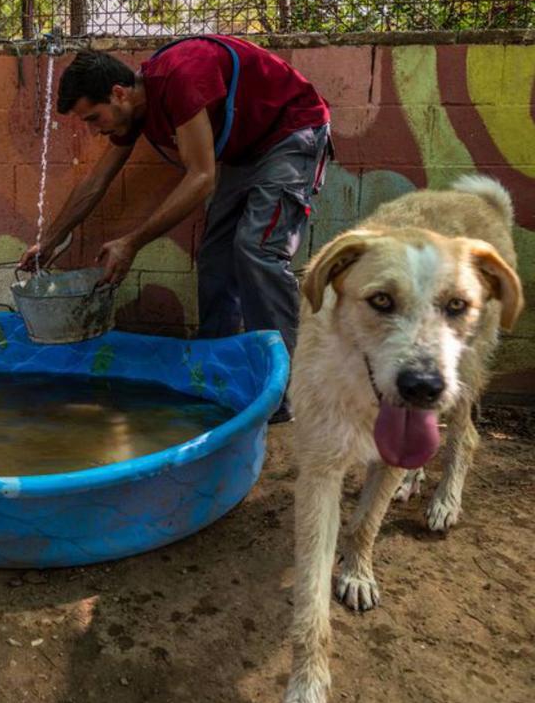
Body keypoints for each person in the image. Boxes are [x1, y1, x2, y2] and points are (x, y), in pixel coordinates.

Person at [19, 37, 334, 423]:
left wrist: (132, 243)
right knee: (216, 257)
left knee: (257, 250)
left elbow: (201, 178)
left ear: (118, 93)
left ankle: (286, 391)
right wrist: (50, 240)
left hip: (292, 132)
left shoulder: (181, 77)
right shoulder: (135, 108)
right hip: (245, 151)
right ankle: (216, 372)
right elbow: (98, 180)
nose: (95, 130)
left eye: (93, 118)